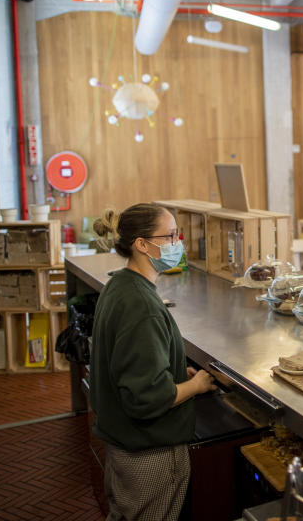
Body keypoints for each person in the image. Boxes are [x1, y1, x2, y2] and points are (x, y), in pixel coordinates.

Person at [90, 203, 216, 521]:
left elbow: (131, 362)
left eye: (178, 235)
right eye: (170, 236)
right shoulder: (141, 306)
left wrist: (175, 373)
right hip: (148, 454)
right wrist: (196, 385)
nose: (178, 243)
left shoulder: (120, 285)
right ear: (142, 244)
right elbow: (146, 397)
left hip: (122, 445)